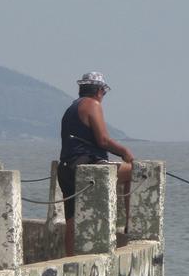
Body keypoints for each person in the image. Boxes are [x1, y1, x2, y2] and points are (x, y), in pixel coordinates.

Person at [57, 71, 133, 257]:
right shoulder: (93, 104)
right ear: (99, 91)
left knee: (72, 218)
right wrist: (125, 152)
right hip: (87, 166)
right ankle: (130, 222)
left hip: (66, 167)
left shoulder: (72, 108)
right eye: (104, 92)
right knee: (135, 171)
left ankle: (70, 260)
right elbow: (103, 140)